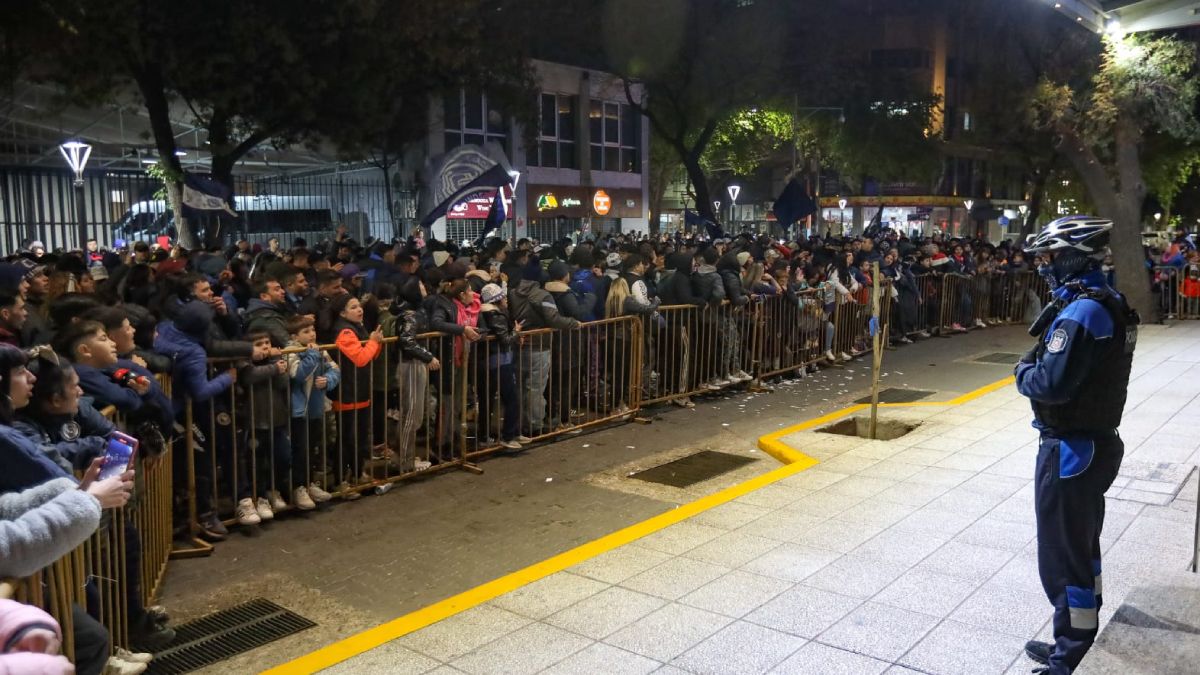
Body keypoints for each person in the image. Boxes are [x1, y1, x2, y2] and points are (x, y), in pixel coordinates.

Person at [1015, 216, 1138, 675]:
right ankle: (1077, 638)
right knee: (1081, 547)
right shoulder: (1106, 301)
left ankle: (1068, 656)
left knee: (1062, 556)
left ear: (1072, 256)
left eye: (1050, 256)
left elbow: (1049, 383)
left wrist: (1021, 373)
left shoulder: (1082, 312)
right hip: (1094, 444)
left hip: (1071, 449)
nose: (1044, 265)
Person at [326, 293, 383, 494]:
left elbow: (370, 355)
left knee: (359, 436)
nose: (359, 310)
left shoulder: (358, 327)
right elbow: (360, 358)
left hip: (360, 389)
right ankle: (341, 480)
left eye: (359, 306)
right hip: (347, 392)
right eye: (353, 307)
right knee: (346, 439)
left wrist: (376, 343)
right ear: (342, 312)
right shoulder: (344, 332)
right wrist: (374, 342)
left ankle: (359, 474)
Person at [284, 315, 338, 507]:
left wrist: (329, 380)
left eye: (313, 330)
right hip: (299, 410)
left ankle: (309, 483)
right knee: (300, 450)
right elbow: (298, 374)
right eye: (306, 332)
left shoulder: (319, 349)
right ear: (294, 336)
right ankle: (298, 487)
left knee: (312, 448)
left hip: (317, 408)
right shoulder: (291, 351)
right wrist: (313, 355)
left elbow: (334, 369)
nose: (312, 334)